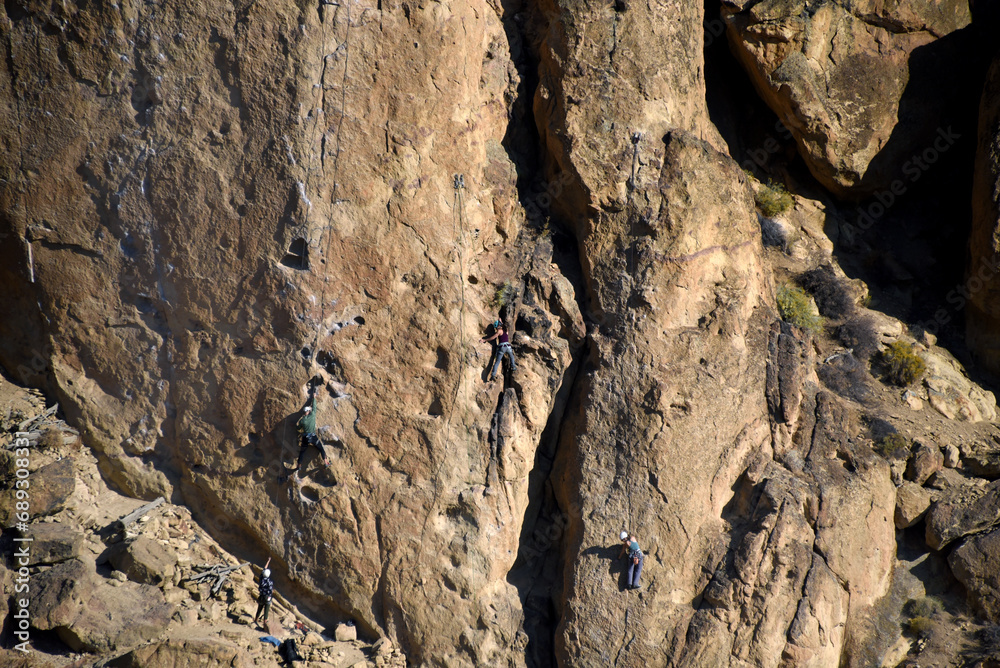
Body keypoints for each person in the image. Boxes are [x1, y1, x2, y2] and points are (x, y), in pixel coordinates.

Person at [295, 386, 329, 476]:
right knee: (321, 448)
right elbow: (314, 406)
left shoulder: (302, 420)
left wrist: (297, 428)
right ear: (309, 411)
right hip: (312, 436)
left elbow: (298, 428)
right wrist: (314, 397)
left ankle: (299, 465)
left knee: (302, 452)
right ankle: (326, 462)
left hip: (305, 437)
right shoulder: (312, 415)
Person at [253, 557, 274, 626]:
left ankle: (256, 619)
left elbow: (264, 569)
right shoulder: (270, 582)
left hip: (261, 596)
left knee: (260, 607)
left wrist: (268, 561)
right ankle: (265, 622)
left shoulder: (261, 579)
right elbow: (271, 590)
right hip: (267, 596)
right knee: (266, 609)